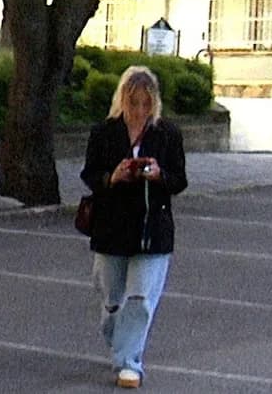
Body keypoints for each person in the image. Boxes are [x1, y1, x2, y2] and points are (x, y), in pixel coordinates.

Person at [80, 66, 187, 390]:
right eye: (133, 102)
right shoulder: (104, 132)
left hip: (152, 229)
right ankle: (119, 343)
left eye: (146, 103)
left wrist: (158, 174)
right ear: (122, 100)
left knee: (140, 298)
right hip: (112, 226)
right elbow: (90, 174)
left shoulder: (167, 134)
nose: (140, 110)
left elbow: (179, 180)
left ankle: (129, 363)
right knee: (112, 299)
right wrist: (112, 177)